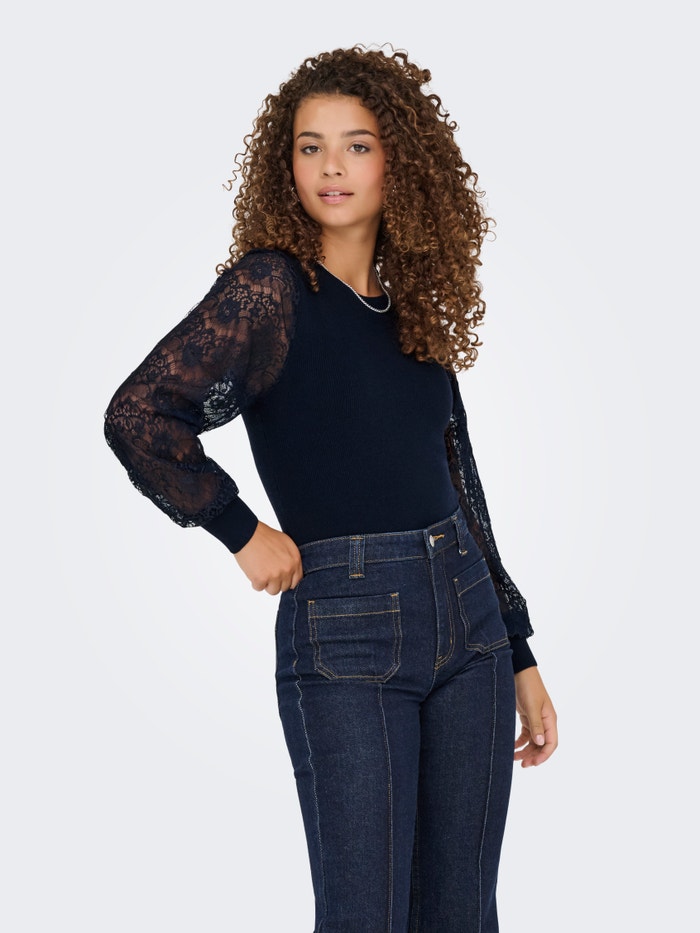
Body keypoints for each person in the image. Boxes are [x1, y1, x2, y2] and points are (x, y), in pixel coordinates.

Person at [104, 45, 558, 932]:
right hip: (347, 629)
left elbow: (459, 479)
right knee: (364, 912)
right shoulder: (270, 288)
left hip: (469, 624)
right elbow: (138, 413)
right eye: (310, 147)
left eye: (357, 145)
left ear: (399, 162)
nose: (332, 167)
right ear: (288, 164)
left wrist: (520, 649)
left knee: (463, 912)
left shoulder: (411, 301)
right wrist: (238, 527)